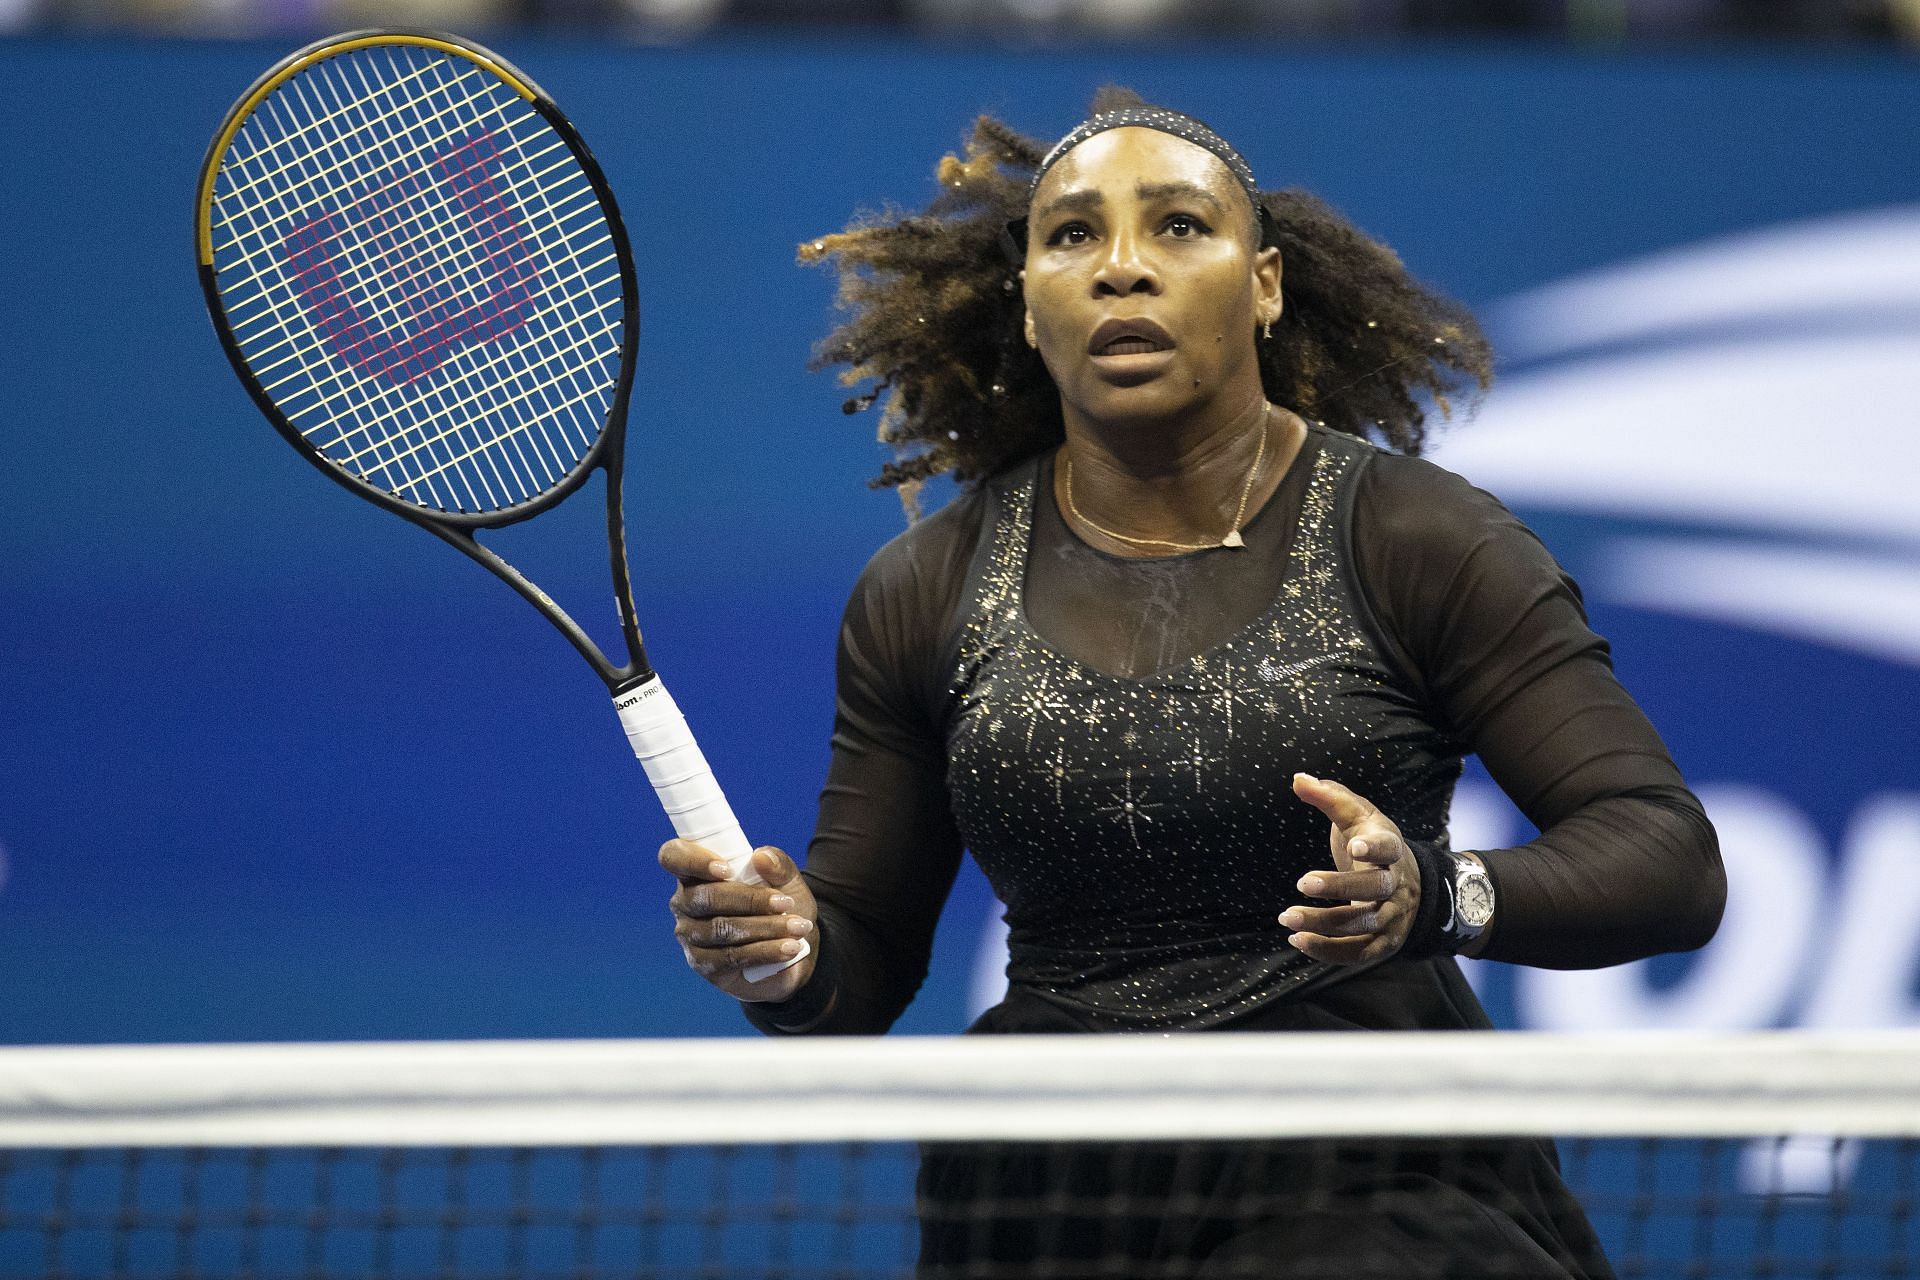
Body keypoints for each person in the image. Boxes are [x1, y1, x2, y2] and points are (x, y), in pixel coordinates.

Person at [657, 88, 1725, 1277]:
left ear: (1263, 282)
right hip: (1049, 1190)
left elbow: (1665, 855)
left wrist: (1436, 892)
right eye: (1071, 234)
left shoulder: (1419, 538)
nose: (1121, 268)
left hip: (1365, 1171)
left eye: (1176, 226)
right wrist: (787, 955)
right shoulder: (926, 587)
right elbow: (859, 959)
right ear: (1026, 297)